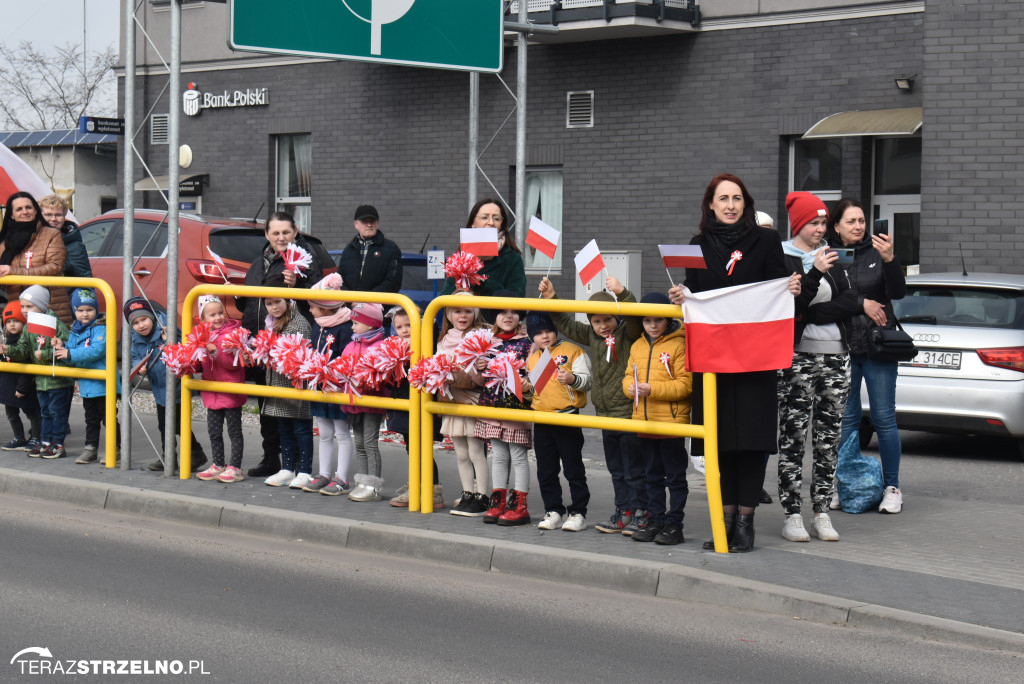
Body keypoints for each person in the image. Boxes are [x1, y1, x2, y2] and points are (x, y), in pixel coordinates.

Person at [668, 173, 802, 553]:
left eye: (737, 198)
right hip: (714, 361)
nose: (730, 205)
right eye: (723, 198)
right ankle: (723, 520)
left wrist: (792, 288)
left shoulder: (766, 240)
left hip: (755, 359)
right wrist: (683, 295)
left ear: (746, 203)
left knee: (752, 442)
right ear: (710, 204)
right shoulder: (697, 245)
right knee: (721, 442)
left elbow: (780, 287)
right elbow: (695, 294)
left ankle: (746, 522)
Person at [538, 275, 648, 536]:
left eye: (608, 319)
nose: (603, 326)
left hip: (628, 411)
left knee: (633, 467)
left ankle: (641, 512)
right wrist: (552, 298)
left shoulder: (627, 333)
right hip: (604, 412)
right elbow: (564, 321)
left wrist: (622, 293)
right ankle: (623, 512)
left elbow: (634, 317)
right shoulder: (589, 333)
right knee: (616, 468)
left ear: (616, 318)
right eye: (597, 321)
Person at [776, 192, 857, 543]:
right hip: (798, 358)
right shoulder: (783, 258)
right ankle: (792, 512)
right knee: (793, 437)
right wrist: (813, 272)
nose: (821, 229)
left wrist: (815, 311)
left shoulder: (832, 257)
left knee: (828, 439)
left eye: (824, 223)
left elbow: (850, 301)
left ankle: (821, 510)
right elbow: (792, 309)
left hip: (838, 357)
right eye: (814, 223)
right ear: (799, 225)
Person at [830, 198, 907, 514]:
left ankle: (892, 487)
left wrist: (890, 260)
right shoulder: (830, 257)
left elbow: (898, 292)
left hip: (878, 348)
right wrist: (862, 303)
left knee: (884, 418)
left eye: (861, 220)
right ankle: (843, 484)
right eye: (851, 221)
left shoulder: (879, 252)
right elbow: (829, 300)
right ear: (837, 226)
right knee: (846, 420)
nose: (858, 227)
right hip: (844, 347)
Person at [238, 211, 327, 479]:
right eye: (275, 233)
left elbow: (319, 296)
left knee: (294, 406)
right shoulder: (257, 263)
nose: (281, 237)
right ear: (267, 235)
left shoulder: (304, 261)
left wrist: (299, 281)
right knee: (267, 404)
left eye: (285, 232)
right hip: (261, 343)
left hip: (291, 344)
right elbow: (250, 303)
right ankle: (272, 458)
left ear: (295, 232)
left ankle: (300, 465)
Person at [621, 292, 693, 545]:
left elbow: (686, 385)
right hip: (644, 420)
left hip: (671, 422)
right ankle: (656, 519)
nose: (652, 326)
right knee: (651, 475)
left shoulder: (679, 344)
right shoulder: (638, 345)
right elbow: (629, 375)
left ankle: (674, 524)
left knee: (674, 477)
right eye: (647, 320)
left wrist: (652, 389)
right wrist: (629, 388)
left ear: (668, 320)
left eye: (658, 321)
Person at [523, 311, 592, 532]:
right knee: (546, 469)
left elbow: (587, 381)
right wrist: (525, 390)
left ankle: (578, 512)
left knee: (573, 467)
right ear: (531, 336)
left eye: (548, 331)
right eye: (539, 333)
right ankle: (553, 510)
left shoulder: (572, 351)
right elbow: (534, 393)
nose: (545, 336)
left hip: (567, 417)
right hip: (542, 420)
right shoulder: (533, 358)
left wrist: (572, 379)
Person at [124, 296, 208, 473]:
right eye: (136, 323)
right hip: (159, 390)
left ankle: (193, 452)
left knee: (178, 423)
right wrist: (139, 368)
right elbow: (136, 356)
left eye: (144, 319)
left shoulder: (165, 328)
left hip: (177, 386)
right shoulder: (137, 339)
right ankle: (168, 455)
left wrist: (171, 336)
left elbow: (182, 343)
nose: (141, 325)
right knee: (164, 425)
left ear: (152, 317)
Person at [474, 295, 533, 526]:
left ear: (520, 317)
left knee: (518, 457)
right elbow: (478, 379)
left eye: (514, 312)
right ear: (494, 317)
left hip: (515, 409)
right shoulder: (486, 342)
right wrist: (478, 368)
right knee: (498, 456)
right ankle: (497, 501)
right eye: (502, 312)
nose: (508, 316)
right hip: (491, 408)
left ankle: (519, 505)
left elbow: (532, 372)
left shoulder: (528, 343)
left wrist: (524, 381)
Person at [0, 285, 72, 459]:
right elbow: (24, 349)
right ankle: (45, 442)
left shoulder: (56, 325)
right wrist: (8, 350)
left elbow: (67, 350)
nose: (24, 310)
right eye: (23, 306)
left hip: (58, 380)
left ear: (42, 305)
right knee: (45, 413)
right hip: (41, 380)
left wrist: (47, 353)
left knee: (57, 413)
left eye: (29, 306)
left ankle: (58, 445)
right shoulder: (29, 327)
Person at [300, 273, 355, 496]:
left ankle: (342, 478)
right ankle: (324, 474)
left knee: (342, 433)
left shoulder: (344, 326)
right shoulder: (317, 325)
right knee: (323, 432)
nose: (310, 311)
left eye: (313, 307)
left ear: (325, 307)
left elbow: (346, 357)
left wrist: (332, 373)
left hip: (337, 387)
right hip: (320, 386)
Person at [387, 307, 446, 509]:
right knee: (411, 448)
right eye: (399, 327)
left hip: (422, 405)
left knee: (422, 449)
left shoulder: (425, 342)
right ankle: (419, 485)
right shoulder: (396, 347)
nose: (404, 330)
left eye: (409, 325)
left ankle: (431, 489)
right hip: (405, 407)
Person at [437, 292, 490, 516]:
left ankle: (482, 496)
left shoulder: (480, 336)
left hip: (472, 400)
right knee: (460, 453)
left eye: (468, 311)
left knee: (477, 451)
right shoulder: (443, 341)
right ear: (449, 314)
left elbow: (482, 373)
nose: (462, 315)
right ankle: (467, 493)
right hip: (452, 402)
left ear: (475, 313)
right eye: (457, 311)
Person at [260, 276, 315, 489]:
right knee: (284, 428)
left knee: (301, 428)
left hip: (294, 384)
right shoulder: (271, 323)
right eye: (269, 303)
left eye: (277, 302)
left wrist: (270, 352)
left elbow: (298, 356)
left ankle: (305, 470)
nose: (274, 307)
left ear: (288, 300)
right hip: (278, 384)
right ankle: (287, 468)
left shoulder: (298, 323)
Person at [53, 288, 118, 464]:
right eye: (80, 310)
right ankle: (91, 449)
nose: (85, 314)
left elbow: (95, 351)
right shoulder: (75, 330)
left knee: (109, 418)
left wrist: (69, 353)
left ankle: (115, 448)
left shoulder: (101, 328)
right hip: (88, 385)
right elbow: (71, 354)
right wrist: (61, 348)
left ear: (96, 310)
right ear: (75, 312)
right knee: (91, 419)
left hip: (105, 384)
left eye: (89, 310)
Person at [191, 295, 248, 484]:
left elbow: (232, 364)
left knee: (234, 431)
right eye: (212, 315)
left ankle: (235, 467)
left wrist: (214, 351)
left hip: (230, 391)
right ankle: (218, 464)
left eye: (220, 313)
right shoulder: (203, 336)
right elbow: (199, 365)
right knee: (214, 432)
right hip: (212, 393)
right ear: (203, 319)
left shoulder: (233, 334)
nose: (218, 317)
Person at [0, 192, 72, 327]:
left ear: (35, 210)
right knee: (19, 348)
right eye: (19, 209)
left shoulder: (52, 234)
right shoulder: (4, 242)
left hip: (49, 308)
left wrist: (14, 271)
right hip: (17, 312)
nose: (25, 212)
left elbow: (55, 266)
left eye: (29, 207)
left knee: (44, 347)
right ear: (11, 215)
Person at [343, 302, 388, 502]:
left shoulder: (379, 346)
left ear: (370, 325)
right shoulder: (352, 344)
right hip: (355, 402)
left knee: (370, 443)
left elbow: (380, 374)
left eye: (356, 323)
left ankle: (373, 485)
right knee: (359, 442)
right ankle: (362, 482)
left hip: (371, 402)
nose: (352, 327)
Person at [441, 198, 527, 297]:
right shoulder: (460, 258)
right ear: (473, 223)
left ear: (501, 225)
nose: (491, 222)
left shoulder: (512, 258)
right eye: (484, 217)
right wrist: (462, 284)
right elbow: (444, 298)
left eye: (497, 219)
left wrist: (481, 282)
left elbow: (518, 296)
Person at [0, 301, 41, 452]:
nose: (12, 325)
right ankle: (19, 437)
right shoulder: (8, 341)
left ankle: (36, 437)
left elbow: (26, 367)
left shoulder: (24, 342)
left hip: (23, 387)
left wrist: (22, 388)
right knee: (11, 414)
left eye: (16, 321)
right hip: (8, 386)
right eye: (8, 321)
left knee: (32, 413)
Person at [337, 205, 403, 294]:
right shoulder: (348, 251)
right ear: (356, 224)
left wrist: (367, 301)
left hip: (380, 306)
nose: (369, 225)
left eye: (372, 221)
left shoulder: (391, 249)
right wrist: (351, 301)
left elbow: (393, 282)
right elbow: (340, 280)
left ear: (377, 223)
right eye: (364, 221)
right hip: (351, 306)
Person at [38, 194, 92, 282]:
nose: (53, 219)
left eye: (58, 215)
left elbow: (84, 280)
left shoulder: (75, 245)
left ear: (64, 217)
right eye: (48, 215)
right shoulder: (30, 240)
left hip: (64, 292)